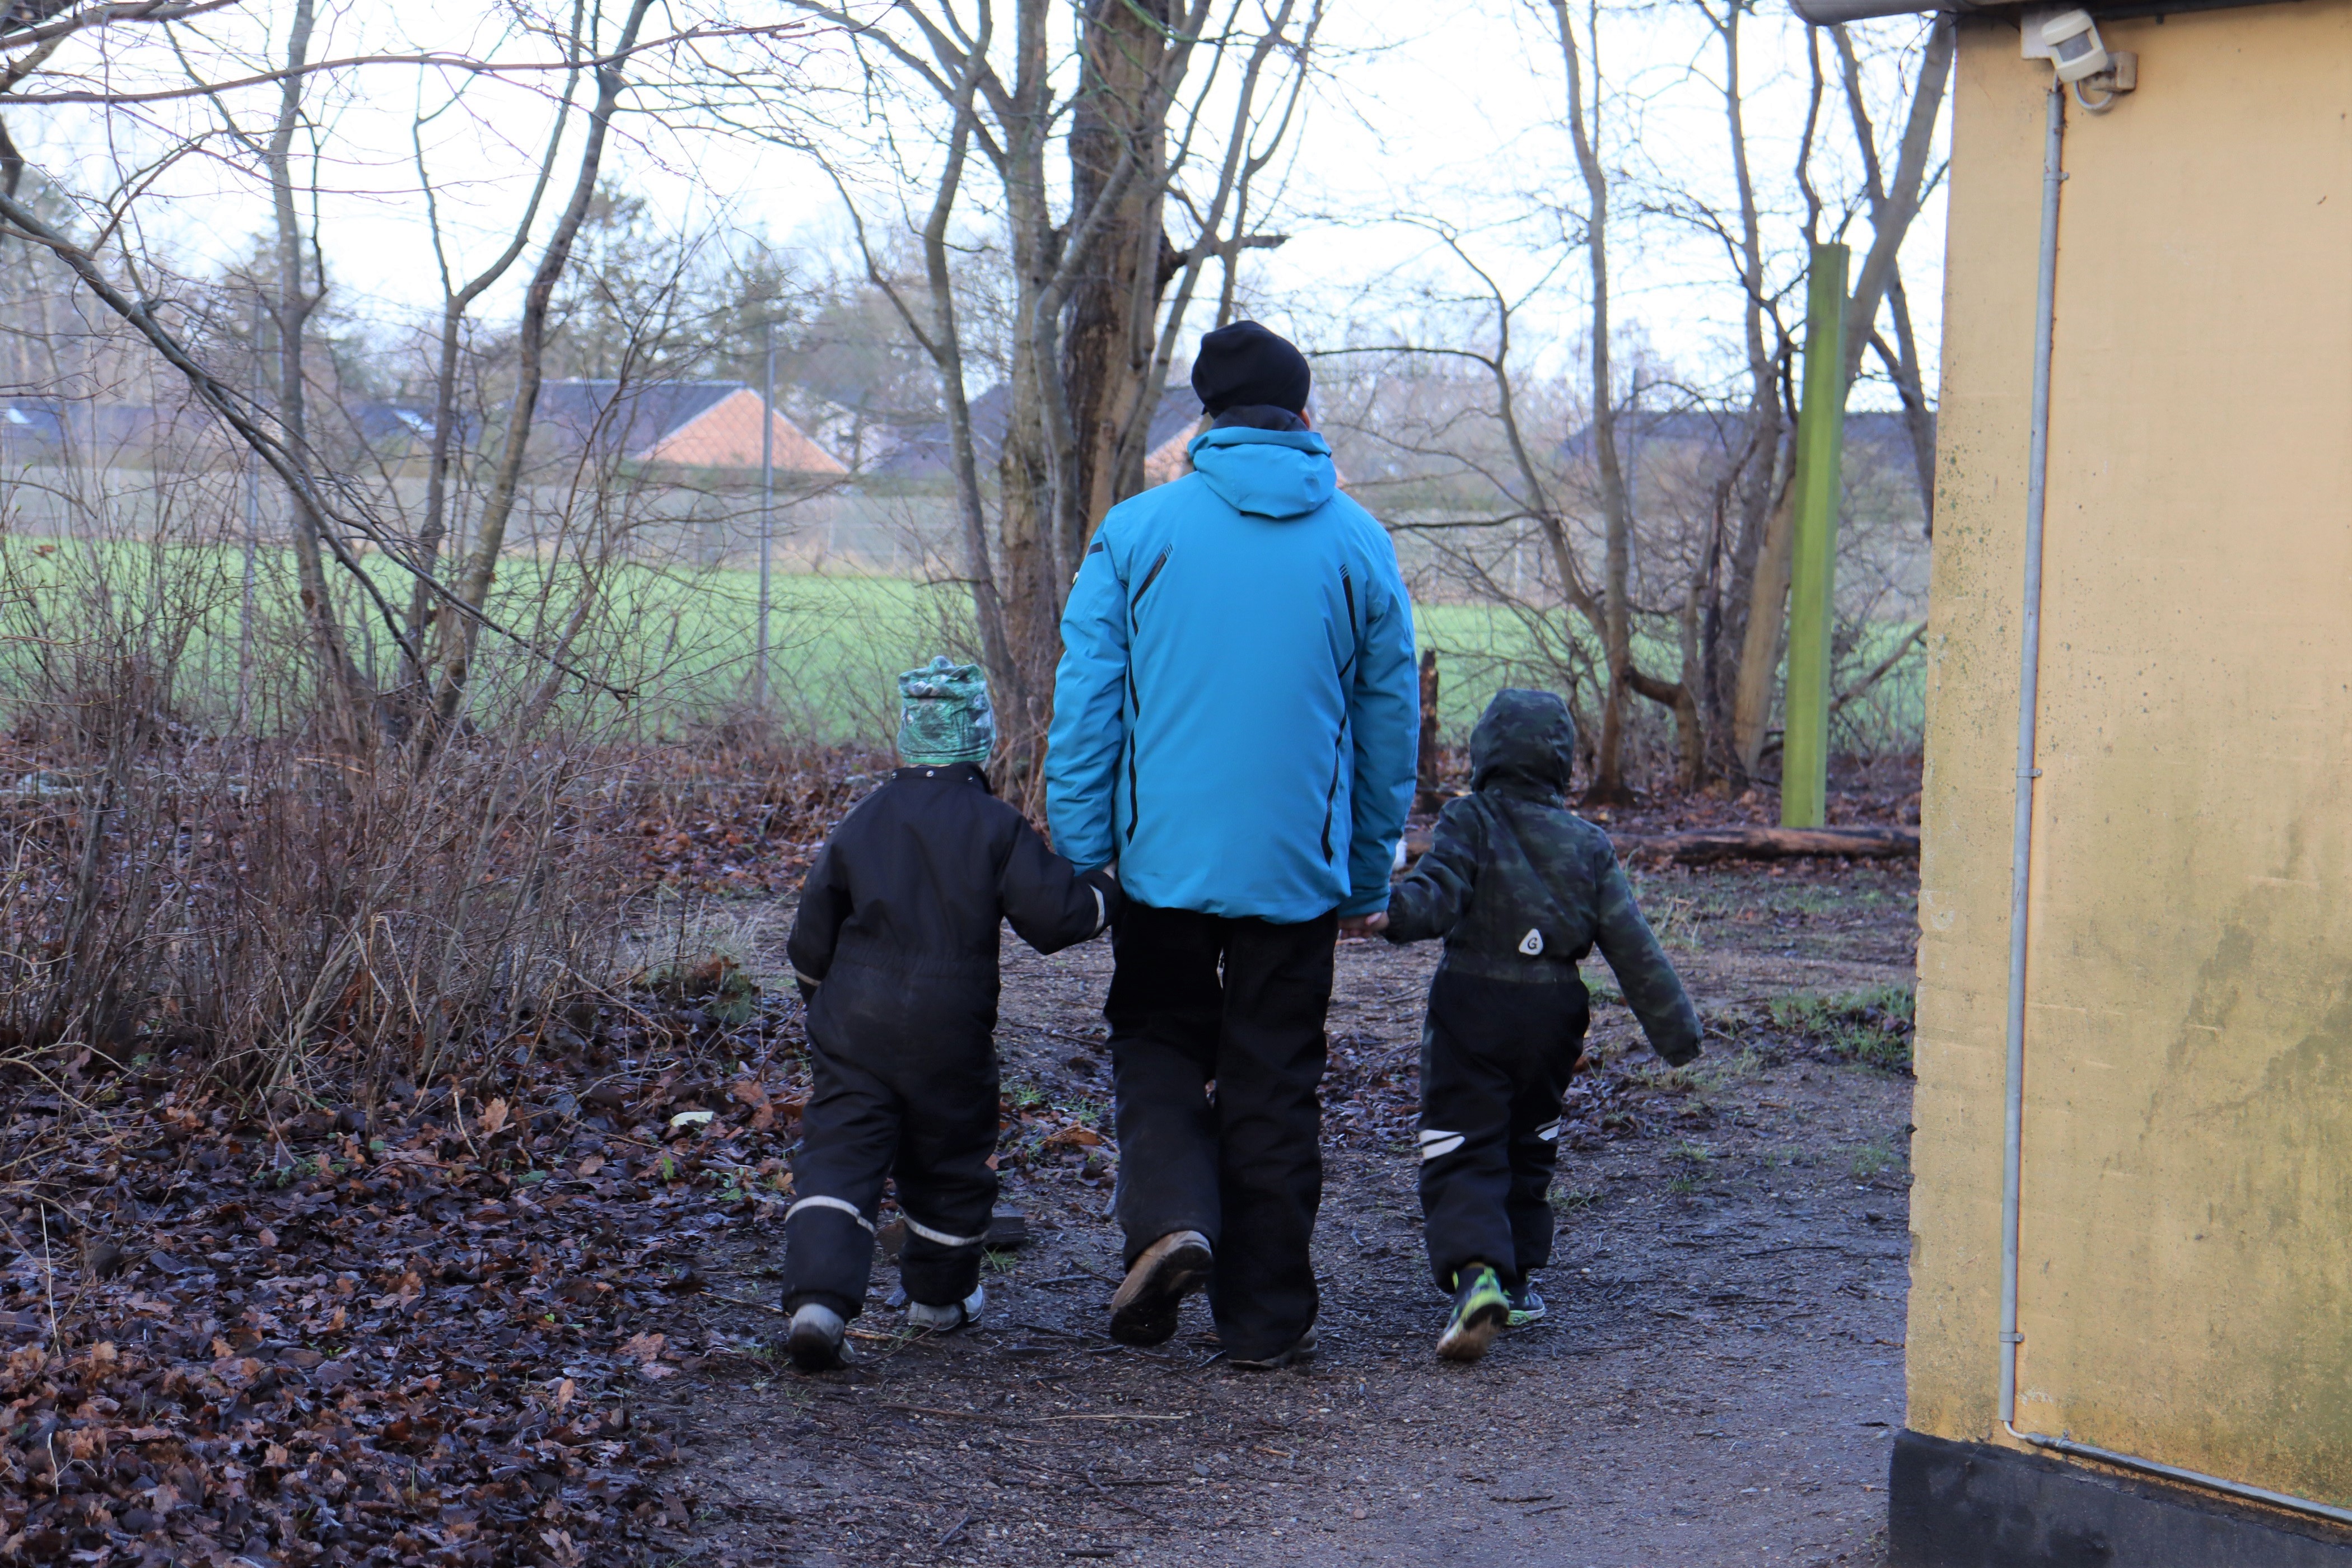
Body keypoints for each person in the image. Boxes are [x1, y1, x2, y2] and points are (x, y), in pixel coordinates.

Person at [1047, 320, 1419, 1368]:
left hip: (1161, 863)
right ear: (1304, 418)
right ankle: (1264, 1319)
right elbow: (1391, 722)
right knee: (1274, 1079)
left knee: (1159, 1040)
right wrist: (1365, 863)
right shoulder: (1358, 542)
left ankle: (1169, 1217)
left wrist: (1086, 849)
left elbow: (1090, 706)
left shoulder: (1138, 531)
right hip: (1297, 873)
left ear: (1204, 420)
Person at [780, 657, 1118, 1371]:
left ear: (907, 737)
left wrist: (823, 1001)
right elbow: (1057, 918)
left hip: (854, 1020)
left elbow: (811, 935)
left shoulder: (864, 818)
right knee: (950, 1154)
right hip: (948, 1025)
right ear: (980, 737)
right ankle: (939, 1299)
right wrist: (1108, 889)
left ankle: (819, 1302)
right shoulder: (994, 826)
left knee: (840, 1150)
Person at [1371, 688, 1701, 1362]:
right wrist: (1678, 1033)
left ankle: (1478, 1275)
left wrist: (1393, 913)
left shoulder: (1471, 820)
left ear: (1484, 755)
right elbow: (1634, 946)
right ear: (1563, 765)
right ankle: (1516, 1281)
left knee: (1464, 1138)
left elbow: (1439, 892)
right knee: (1529, 1137)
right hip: (1553, 1011)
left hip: (1474, 1000)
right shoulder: (1589, 845)